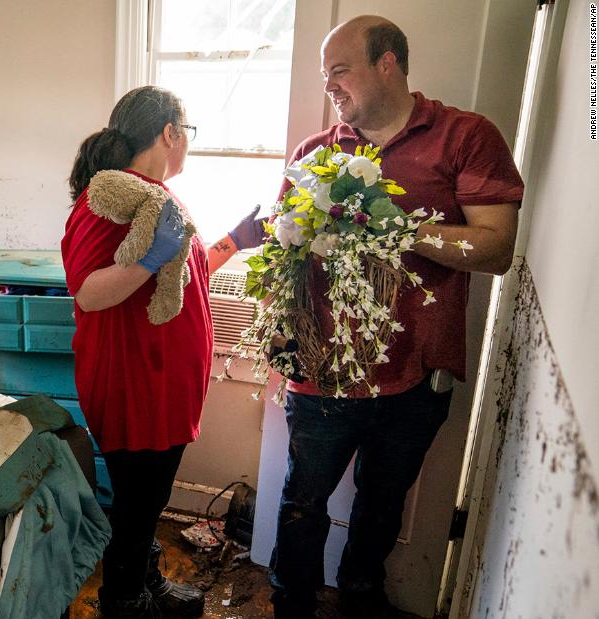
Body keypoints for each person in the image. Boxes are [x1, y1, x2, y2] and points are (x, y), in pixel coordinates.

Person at [260, 16, 525, 619]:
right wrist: (280, 327)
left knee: (382, 506)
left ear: (388, 64)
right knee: (303, 500)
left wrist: (397, 230)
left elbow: (494, 249)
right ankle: (290, 603)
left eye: (340, 70)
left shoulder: (465, 137)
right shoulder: (317, 153)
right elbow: (284, 254)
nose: (330, 85)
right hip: (323, 372)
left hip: (414, 376)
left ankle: (359, 597)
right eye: (325, 75)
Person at [60, 85, 265, 618]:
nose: (187, 143)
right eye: (187, 131)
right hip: (134, 383)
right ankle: (124, 601)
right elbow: (88, 290)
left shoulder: (156, 197)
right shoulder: (108, 200)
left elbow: (186, 275)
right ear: (170, 133)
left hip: (164, 385)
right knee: (138, 503)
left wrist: (235, 241)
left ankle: (144, 582)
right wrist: (150, 260)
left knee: (147, 501)